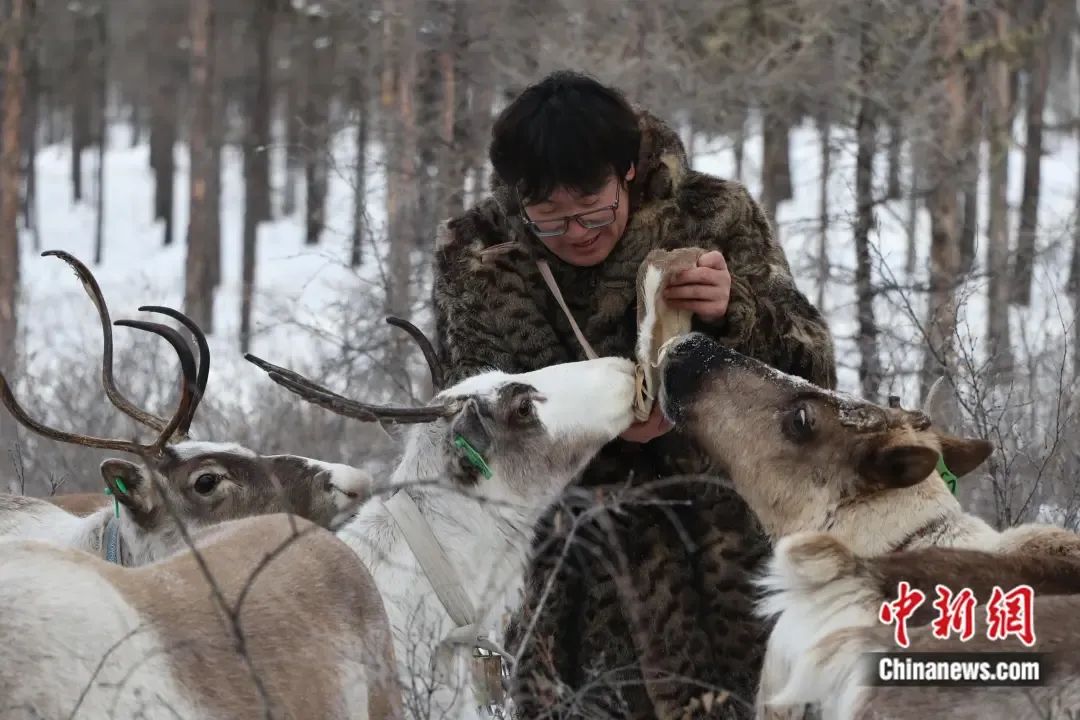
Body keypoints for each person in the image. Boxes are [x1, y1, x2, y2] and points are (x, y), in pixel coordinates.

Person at [432, 71, 837, 718]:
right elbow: (467, 429)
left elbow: (812, 371)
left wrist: (737, 311)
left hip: (719, 562)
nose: (577, 232)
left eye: (593, 210)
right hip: (563, 577)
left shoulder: (713, 216)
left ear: (626, 171)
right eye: (551, 219)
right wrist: (595, 424)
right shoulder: (480, 256)